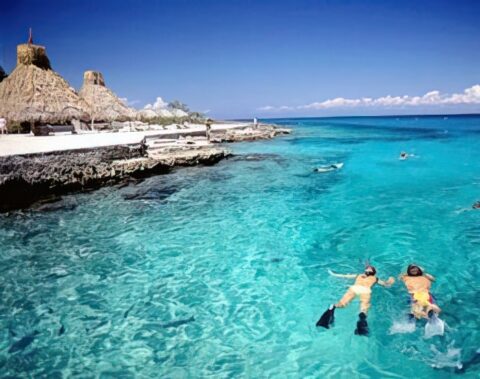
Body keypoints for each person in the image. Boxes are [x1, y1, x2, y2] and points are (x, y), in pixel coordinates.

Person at [316, 265, 395, 335]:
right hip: (365, 290)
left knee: (342, 303)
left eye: (370, 268)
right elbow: (386, 284)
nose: (368, 268)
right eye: (368, 268)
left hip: (355, 289)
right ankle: (361, 322)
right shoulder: (375, 278)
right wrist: (391, 280)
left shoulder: (359, 276)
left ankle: (332, 308)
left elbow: (344, 276)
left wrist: (333, 274)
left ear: (372, 271)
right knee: (364, 308)